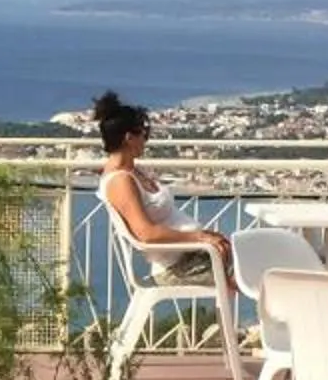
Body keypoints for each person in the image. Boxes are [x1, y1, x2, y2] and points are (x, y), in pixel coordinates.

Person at [93, 91, 229, 282]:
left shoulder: (133, 170)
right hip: (178, 265)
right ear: (129, 138)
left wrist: (202, 238)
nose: (146, 140)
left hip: (192, 252)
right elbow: (146, 233)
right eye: (143, 133)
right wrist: (199, 237)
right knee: (254, 268)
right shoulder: (120, 181)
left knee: (250, 257)